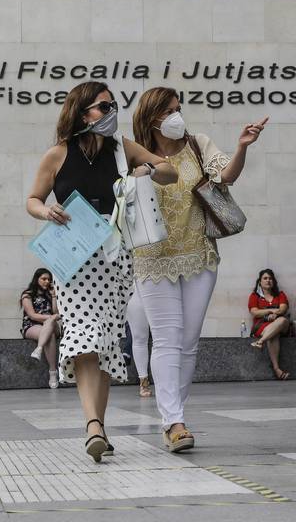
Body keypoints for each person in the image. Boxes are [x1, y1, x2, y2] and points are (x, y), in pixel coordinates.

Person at [26, 81, 177, 462]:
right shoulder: (57, 155)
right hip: (73, 260)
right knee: (82, 336)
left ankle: (100, 427)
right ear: (81, 113)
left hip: (115, 258)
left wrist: (149, 172)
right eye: (102, 107)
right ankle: (92, 424)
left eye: (113, 106)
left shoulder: (122, 148)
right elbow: (32, 200)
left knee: (107, 339)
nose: (111, 113)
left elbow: (169, 170)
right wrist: (46, 211)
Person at [132, 86, 267, 452]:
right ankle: (173, 422)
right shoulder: (134, 153)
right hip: (152, 259)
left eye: (180, 108)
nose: (178, 115)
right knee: (166, 338)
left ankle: (176, 414)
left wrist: (242, 147)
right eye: (171, 110)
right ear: (153, 116)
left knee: (188, 342)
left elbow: (227, 177)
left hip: (199, 255)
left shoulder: (197, 144)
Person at [21, 268, 61, 389]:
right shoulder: (27, 294)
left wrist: (54, 296)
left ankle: (39, 348)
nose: (47, 281)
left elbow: (56, 312)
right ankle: (53, 373)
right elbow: (32, 315)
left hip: (52, 325)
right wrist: (51, 317)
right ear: (36, 279)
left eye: (49, 279)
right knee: (51, 336)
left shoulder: (51, 293)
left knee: (50, 324)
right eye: (44, 279)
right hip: (31, 325)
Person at [249, 269, 290, 380]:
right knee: (273, 335)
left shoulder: (280, 295)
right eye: (265, 278)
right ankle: (277, 369)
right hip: (262, 326)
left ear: (274, 281)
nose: (268, 280)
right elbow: (254, 312)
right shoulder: (254, 296)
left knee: (282, 320)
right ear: (260, 282)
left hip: (282, 325)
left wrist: (275, 314)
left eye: (270, 278)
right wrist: (270, 311)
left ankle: (260, 341)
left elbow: (283, 309)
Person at [126, 288, 153, 397]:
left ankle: (166, 383)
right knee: (139, 337)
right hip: (135, 284)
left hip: (162, 283)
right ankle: (144, 381)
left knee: (163, 338)